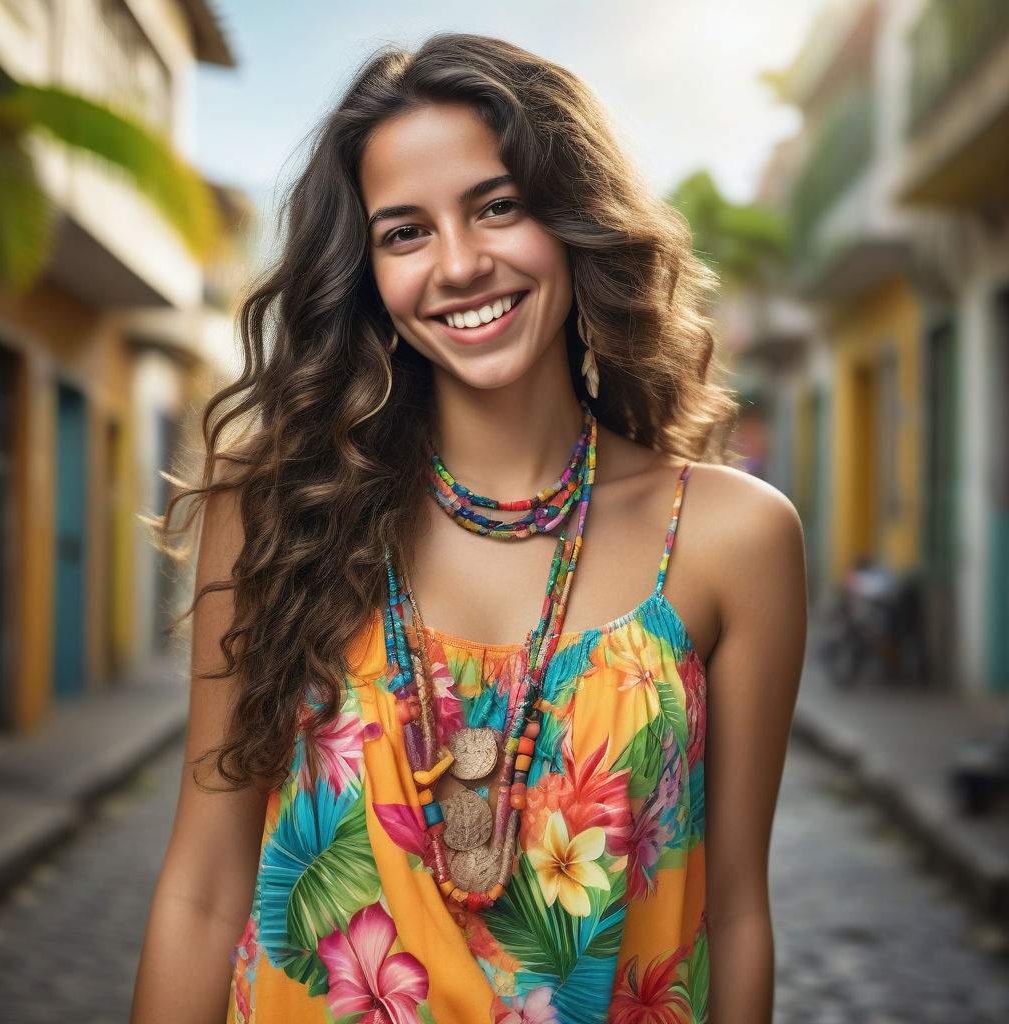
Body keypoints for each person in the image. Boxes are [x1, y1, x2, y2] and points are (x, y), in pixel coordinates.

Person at [130, 31, 807, 1024]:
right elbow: (201, 885)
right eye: (405, 232)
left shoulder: (729, 538)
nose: (458, 263)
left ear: (576, 221)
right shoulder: (278, 506)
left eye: (498, 207)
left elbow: (735, 912)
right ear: (366, 271)